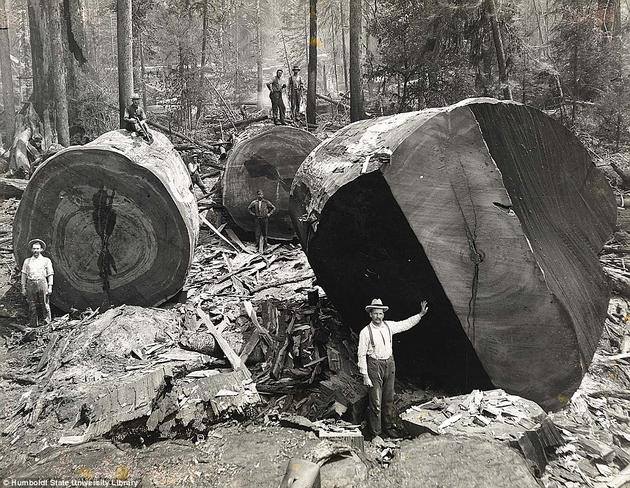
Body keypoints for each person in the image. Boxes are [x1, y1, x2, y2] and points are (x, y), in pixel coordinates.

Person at [357, 298, 429, 443]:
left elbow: (405, 324)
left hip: (389, 364)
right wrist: (365, 375)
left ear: (383, 314)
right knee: (376, 401)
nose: (378, 316)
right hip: (374, 366)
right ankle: (376, 433)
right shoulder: (365, 332)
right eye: (375, 314)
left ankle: (389, 428)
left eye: (381, 313)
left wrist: (420, 315)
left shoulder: (389, 326)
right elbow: (361, 354)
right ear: (370, 314)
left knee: (388, 399)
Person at [21, 239, 54, 327]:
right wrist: (23, 287)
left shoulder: (46, 260)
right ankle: (33, 324)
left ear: (41, 249)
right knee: (32, 304)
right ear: (31, 250)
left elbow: (50, 274)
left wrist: (50, 286)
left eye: (37, 248)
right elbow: (24, 274)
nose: (36, 250)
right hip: (30, 283)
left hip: (42, 282)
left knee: (45, 303)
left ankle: (47, 323)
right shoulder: (27, 261)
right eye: (34, 249)